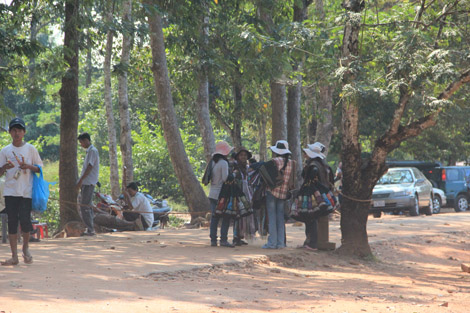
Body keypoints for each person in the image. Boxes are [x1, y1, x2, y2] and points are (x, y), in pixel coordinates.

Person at [0, 117, 42, 265]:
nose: (16, 133)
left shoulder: (31, 149)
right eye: (14, 130)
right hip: (10, 191)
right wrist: (5, 167)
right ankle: (14, 256)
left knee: (25, 220)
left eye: (19, 130)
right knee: (12, 222)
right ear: (10, 132)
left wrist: (28, 166)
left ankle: (25, 248)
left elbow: (39, 168)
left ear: (24, 132)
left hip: (26, 191)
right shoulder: (5, 151)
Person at [300, 142, 335, 251]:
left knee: (311, 217)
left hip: (313, 195)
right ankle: (314, 241)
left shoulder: (313, 166)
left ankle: (312, 243)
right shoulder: (325, 166)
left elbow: (308, 178)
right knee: (318, 218)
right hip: (324, 195)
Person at [263, 140, 296, 249]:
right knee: (280, 218)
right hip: (283, 194)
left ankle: (272, 243)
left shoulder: (274, 161)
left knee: (272, 217)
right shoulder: (292, 163)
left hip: (272, 192)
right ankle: (281, 243)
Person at [209, 141, 234, 247]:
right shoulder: (223, 163)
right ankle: (223, 240)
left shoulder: (213, 162)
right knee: (225, 217)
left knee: (214, 217)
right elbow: (225, 179)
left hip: (212, 194)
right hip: (221, 194)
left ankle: (213, 240)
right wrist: (233, 175)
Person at [77, 132, 100, 236]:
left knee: (84, 206)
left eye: (81, 142)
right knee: (88, 205)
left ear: (86, 140)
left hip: (88, 182)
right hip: (87, 182)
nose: (81, 144)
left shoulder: (92, 151)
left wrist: (81, 179)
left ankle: (90, 229)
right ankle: (90, 228)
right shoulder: (89, 151)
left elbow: (90, 167)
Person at [231, 146, 255, 246]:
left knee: (244, 216)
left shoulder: (247, 168)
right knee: (237, 215)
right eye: (241, 155)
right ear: (237, 157)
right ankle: (235, 237)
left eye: (245, 155)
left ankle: (240, 236)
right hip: (238, 194)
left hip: (247, 194)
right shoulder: (235, 168)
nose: (243, 157)